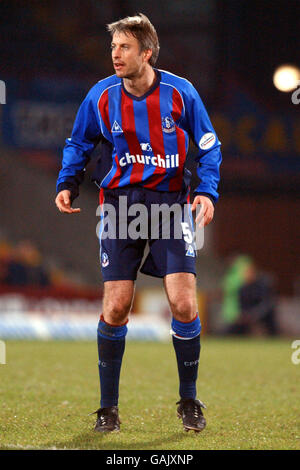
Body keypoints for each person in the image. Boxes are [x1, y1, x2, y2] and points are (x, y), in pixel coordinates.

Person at [55, 14, 222, 433]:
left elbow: (208, 145)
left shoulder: (181, 93)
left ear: (146, 53)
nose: (115, 54)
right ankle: (108, 409)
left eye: (124, 47)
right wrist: (67, 183)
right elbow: (79, 142)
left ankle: (189, 401)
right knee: (115, 307)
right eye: (113, 47)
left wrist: (206, 190)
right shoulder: (101, 95)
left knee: (184, 304)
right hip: (121, 207)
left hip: (170, 206)